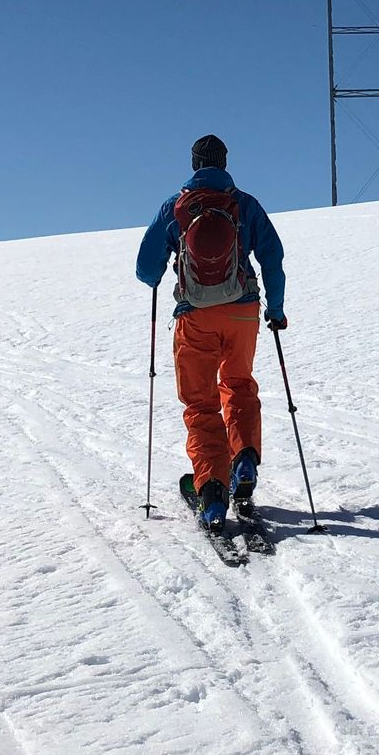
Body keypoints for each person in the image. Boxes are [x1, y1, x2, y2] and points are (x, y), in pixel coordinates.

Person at [135, 134, 286, 531]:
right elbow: (272, 255)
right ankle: (245, 459)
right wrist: (276, 308)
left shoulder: (177, 205)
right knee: (238, 384)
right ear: (224, 162)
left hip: (195, 316)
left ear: (194, 163)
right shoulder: (244, 204)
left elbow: (145, 269)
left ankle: (212, 492)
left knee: (201, 404)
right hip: (242, 313)